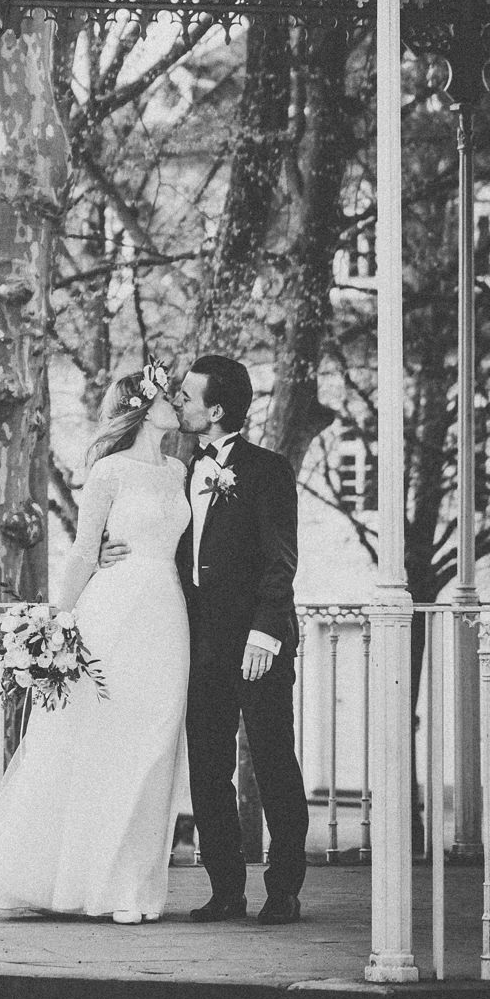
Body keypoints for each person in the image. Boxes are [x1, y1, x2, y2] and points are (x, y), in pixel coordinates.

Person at [0, 362, 190, 924]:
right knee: (98, 740)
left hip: (166, 611)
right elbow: (86, 550)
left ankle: (133, 886)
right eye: (168, 395)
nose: (178, 403)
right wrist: (56, 623)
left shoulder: (181, 470)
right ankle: (83, 881)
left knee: (156, 744)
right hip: (112, 609)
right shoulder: (108, 472)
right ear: (143, 405)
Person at [173, 354, 307, 925]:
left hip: (258, 642)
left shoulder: (268, 470)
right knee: (207, 767)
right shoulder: (179, 469)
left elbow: (281, 562)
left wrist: (265, 635)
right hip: (199, 640)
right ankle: (226, 889)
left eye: (186, 396)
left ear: (217, 409)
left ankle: (284, 890)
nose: (178, 402)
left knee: (274, 760)